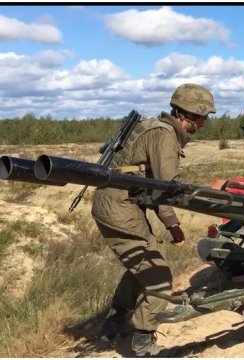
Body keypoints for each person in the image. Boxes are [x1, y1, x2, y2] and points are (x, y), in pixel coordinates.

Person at [92, 83, 215, 357]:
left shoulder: (152, 126)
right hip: (120, 207)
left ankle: (112, 324)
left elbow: (154, 186)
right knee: (159, 277)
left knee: (141, 266)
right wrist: (173, 224)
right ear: (192, 115)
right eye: (205, 117)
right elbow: (166, 189)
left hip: (117, 204)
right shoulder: (166, 136)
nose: (205, 123)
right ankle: (142, 340)